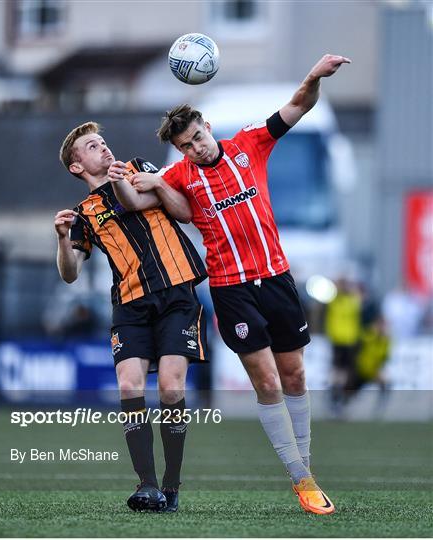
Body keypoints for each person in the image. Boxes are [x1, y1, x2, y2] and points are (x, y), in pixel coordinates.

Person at [121, 54, 351, 515]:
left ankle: (304, 467)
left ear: (208, 127)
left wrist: (312, 76)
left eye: (198, 138)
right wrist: (125, 178)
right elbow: (139, 202)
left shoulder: (251, 144)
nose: (196, 149)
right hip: (231, 288)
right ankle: (301, 479)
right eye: (186, 146)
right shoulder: (180, 176)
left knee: (295, 376)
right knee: (266, 380)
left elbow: (298, 107)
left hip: (278, 278)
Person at [55, 122, 208, 512]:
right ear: (77, 166)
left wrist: (154, 183)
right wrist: (61, 238)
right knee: (129, 388)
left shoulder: (138, 167)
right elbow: (70, 273)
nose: (103, 148)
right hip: (129, 304)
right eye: (92, 146)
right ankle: (147, 485)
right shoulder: (83, 213)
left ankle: (171, 485)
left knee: (171, 389)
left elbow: (183, 211)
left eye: (104, 141)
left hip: (176, 291)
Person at [325, 277, 362, 415]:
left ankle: (337, 397)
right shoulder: (339, 301)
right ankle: (336, 398)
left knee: (343, 371)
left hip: (346, 341)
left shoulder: (342, 301)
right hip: (342, 341)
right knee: (340, 371)